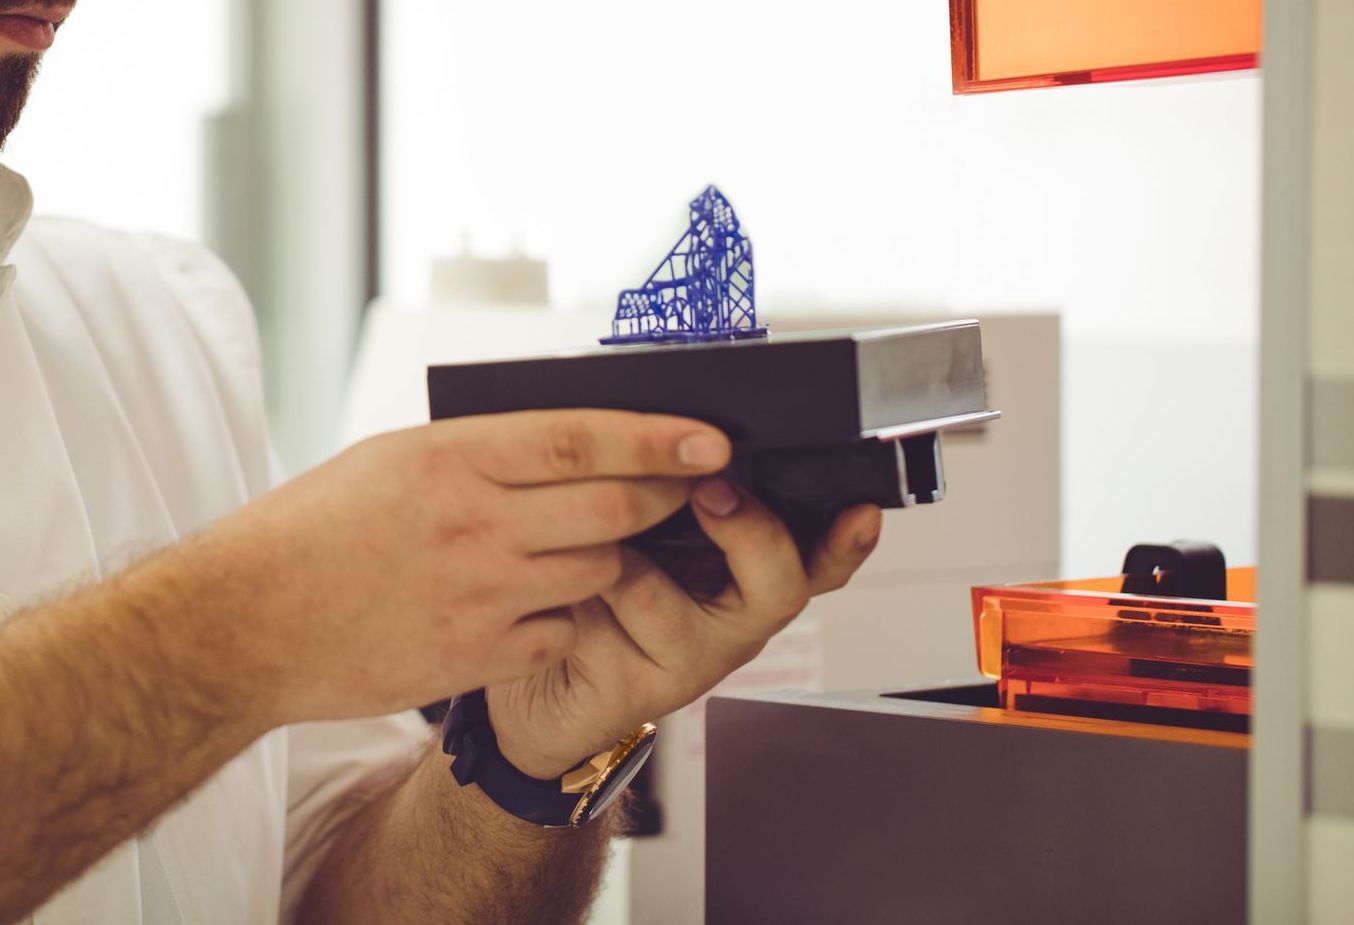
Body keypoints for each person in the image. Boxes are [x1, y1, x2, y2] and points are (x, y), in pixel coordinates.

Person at [0, 2, 882, 922]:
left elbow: (326, 893)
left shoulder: (158, 325)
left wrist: (524, 759)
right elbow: (253, 629)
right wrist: (258, 618)